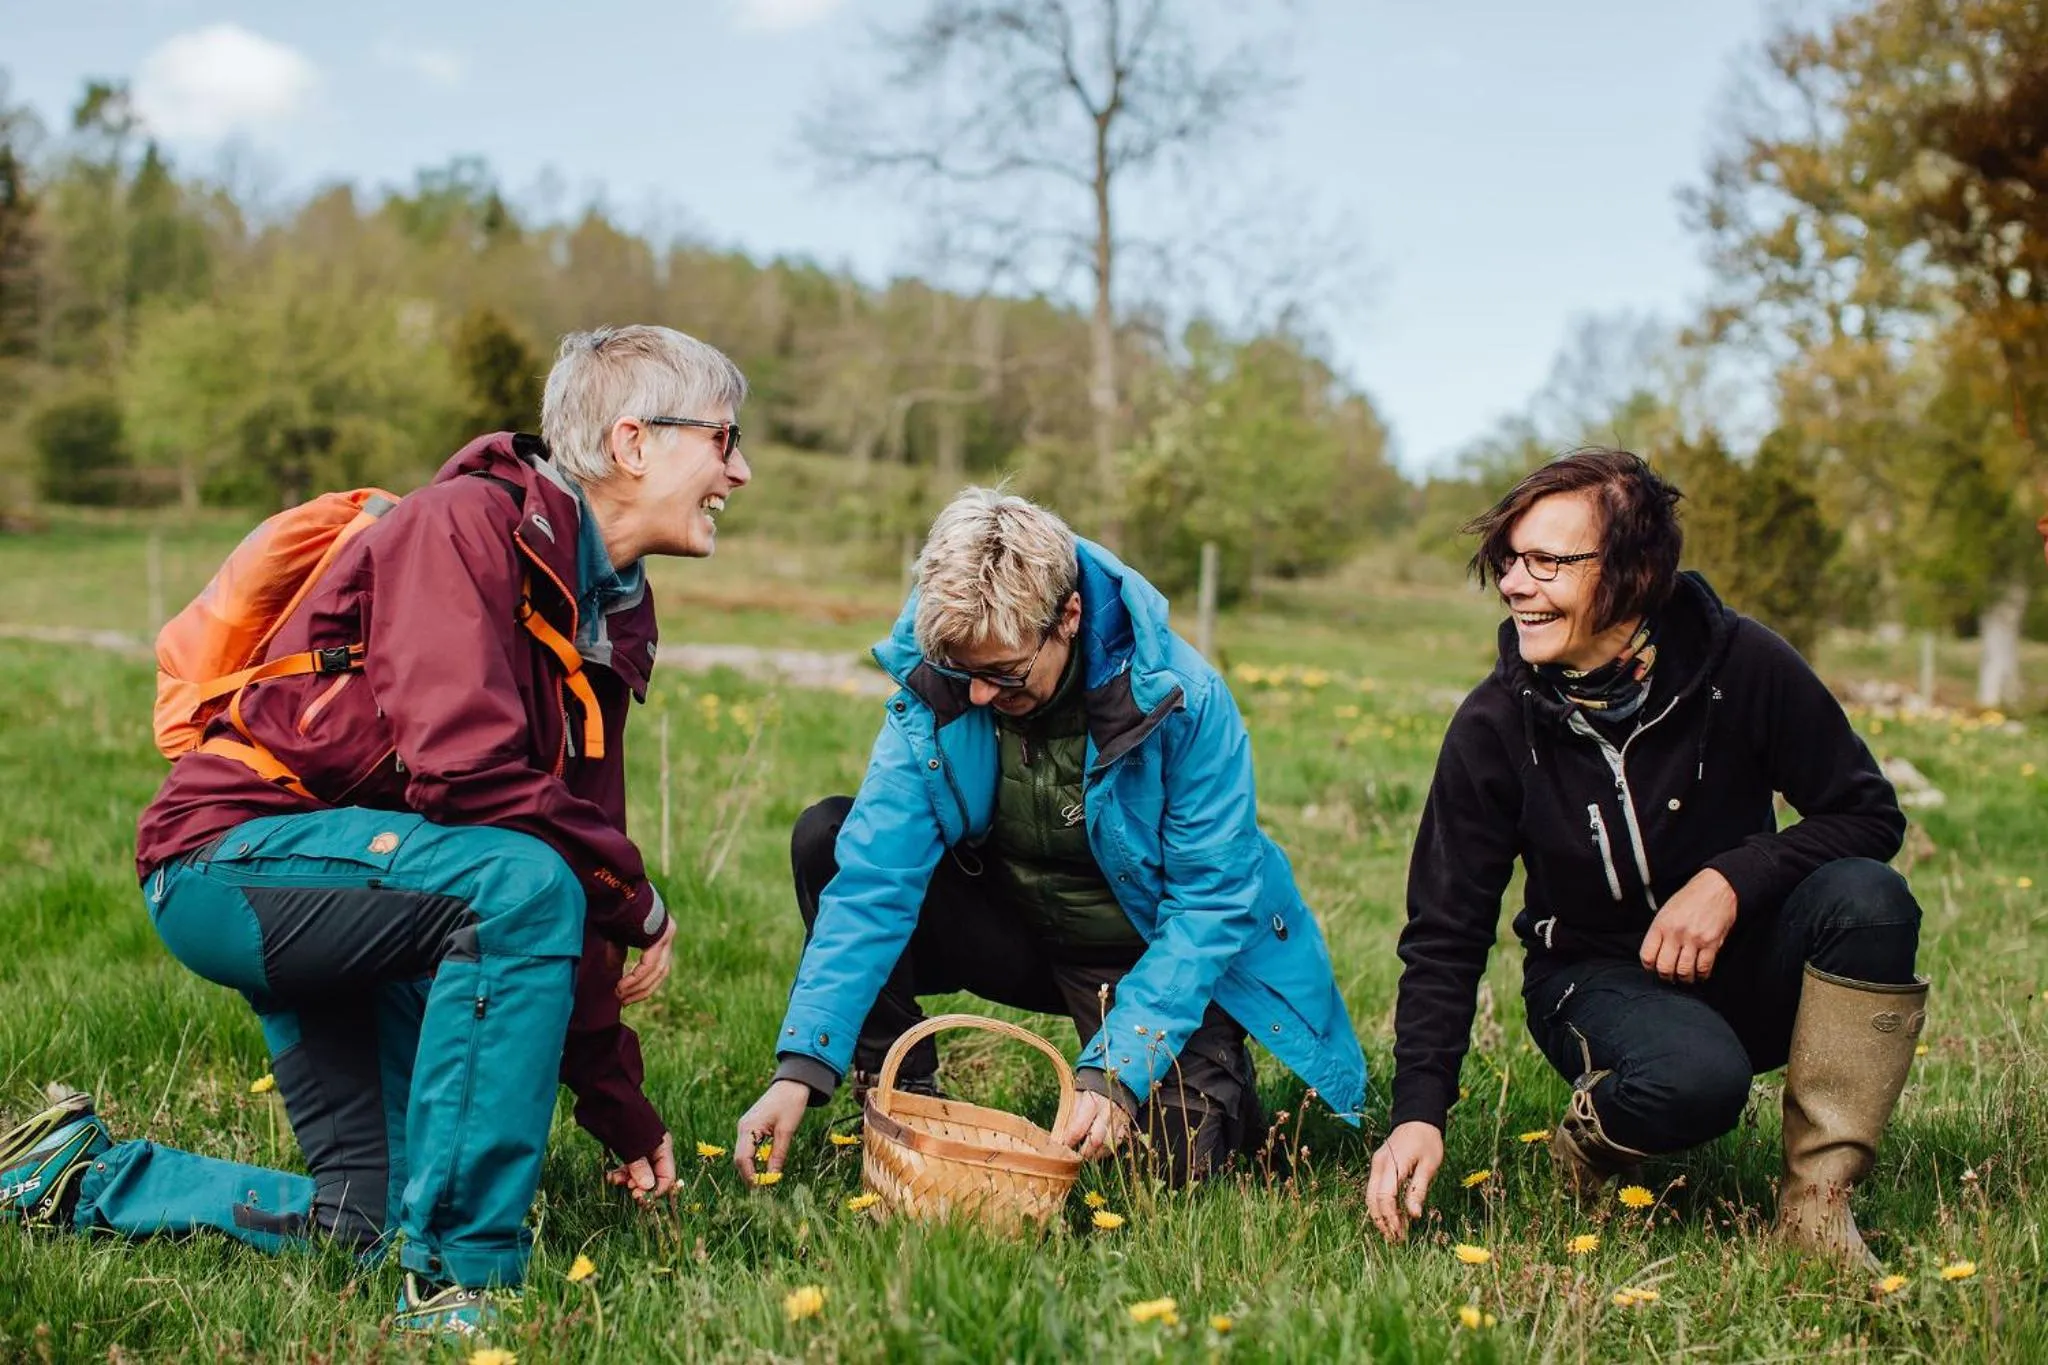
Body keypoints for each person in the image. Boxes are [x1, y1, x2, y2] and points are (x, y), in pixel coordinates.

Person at [0, 325, 752, 1331]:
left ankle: (80, 1177)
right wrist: (638, 899)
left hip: (379, 904)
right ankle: (458, 1284)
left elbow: (567, 861)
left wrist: (623, 1112)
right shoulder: (460, 527)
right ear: (632, 442)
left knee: (371, 1216)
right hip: (232, 863)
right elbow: (469, 774)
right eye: (723, 438)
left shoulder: (603, 616)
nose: (737, 471)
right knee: (522, 885)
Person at [1366, 448, 1926, 1269]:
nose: (1517, 583)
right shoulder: (1494, 726)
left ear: (1633, 573)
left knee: (1871, 897)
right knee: (1698, 1080)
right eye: (1510, 560)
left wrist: (1735, 876)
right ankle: (1594, 1145)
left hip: (1740, 960)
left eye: (1548, 561)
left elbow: (1868, 812)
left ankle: (1818, 1205)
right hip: (1592, 979)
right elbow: (1446, 933)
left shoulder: (1744, 666)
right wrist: (1419, 1110)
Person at [732, 488, 1365, 1186]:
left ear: (1068, 617)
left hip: (1138, 950)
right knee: (826, 835)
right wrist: (801, 1065)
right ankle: (897, 1089)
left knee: (1172, 1178)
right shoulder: (940, 679)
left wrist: (1115, 1072)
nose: (977, 696)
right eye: (964, 672)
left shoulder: (1184, 698)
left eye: (1002, 674)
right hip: (1014, 928)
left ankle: (1208, 1068)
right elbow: (875, 880)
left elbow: (1208, 905)